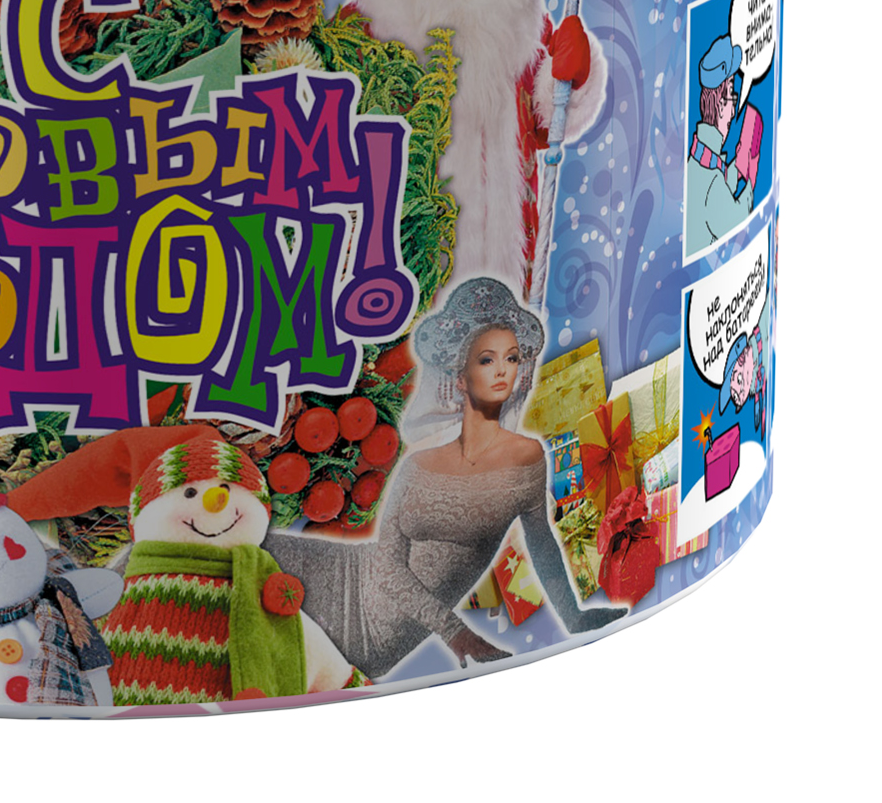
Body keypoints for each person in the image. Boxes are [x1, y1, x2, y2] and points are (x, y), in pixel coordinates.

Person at [266, 278, 622, 676]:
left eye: (511, 358)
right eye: (486, 360)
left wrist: (573, 618)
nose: (502, 370)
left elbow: (541, 544)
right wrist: (455, 631)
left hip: (369, 635)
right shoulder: (419, 463)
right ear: (460, 377)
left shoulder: (526, 458)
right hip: (340, 570)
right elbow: (385, 567)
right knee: (244, 551)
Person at [345, 0, 605, 302]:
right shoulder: (376, 14)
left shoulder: (518, 11)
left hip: (505, 242)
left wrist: (574, 75)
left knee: (502, 331)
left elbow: (548, 122)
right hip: (410, 242)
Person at [688, 35, 758, 248]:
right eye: (731, 98)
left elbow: (720, 182)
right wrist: (750, 181)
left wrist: (738, 166)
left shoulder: (699, 160)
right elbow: (735, 218)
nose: (733, 111)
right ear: (719, 105)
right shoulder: (712, 182)